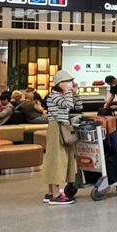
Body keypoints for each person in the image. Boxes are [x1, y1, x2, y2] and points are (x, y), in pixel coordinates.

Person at [43, 70, 82, 205]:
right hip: (56, 128)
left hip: (62, 127)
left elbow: (78, 106)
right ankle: (55, 195)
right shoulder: (54, 95)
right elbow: (68, 105)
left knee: (60, 158)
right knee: (56, 159)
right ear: (59, 83)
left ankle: (49, 193)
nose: (70, 84)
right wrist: (68, 92)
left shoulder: (62, 94)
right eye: (67, 81)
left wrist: (75, 94)